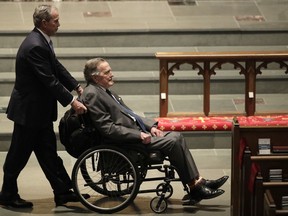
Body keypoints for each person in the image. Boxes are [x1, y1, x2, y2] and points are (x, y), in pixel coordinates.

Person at [79, 57, 229, 205]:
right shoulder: (92, 94)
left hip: (134, 134)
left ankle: (197, 182)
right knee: (172, 141)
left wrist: (151, 127)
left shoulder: (103, 91)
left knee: (177, 137)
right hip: (125, 142)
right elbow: (107, 128)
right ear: (96, 77)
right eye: (107, 72)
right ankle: (195, 186)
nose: (112, 74)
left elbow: (130, 114)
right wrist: (138, 134)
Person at [0, 5, 88, 208]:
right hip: (29, 112)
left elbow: (55, 67)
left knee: (48, 153)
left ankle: (63, 192)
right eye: (55, 20)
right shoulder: (35, 45)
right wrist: (72, 101)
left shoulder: (41, 41)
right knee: (18, 155)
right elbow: (49, 80)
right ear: (44, 23)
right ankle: (7, 195)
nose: (59, 24)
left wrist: (76, 86)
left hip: (38, 112)